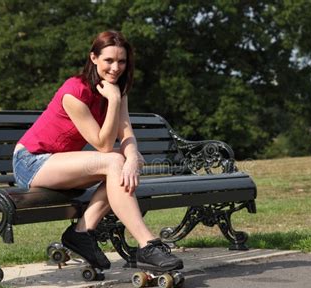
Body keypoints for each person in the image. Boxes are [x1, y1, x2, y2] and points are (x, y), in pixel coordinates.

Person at [12, 30, 183, 272]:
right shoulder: (75, 91)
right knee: (114, 160)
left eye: (121, 61)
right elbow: (102, 144)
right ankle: (148, 244)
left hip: (62, 165)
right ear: (94, 58)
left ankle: (82, 232)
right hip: (31, 162)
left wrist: (133, 157)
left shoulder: (117, 90)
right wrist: (112, 101)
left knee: (122, 161)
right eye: (109, 60)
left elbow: (126, 134)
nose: (115, 68)